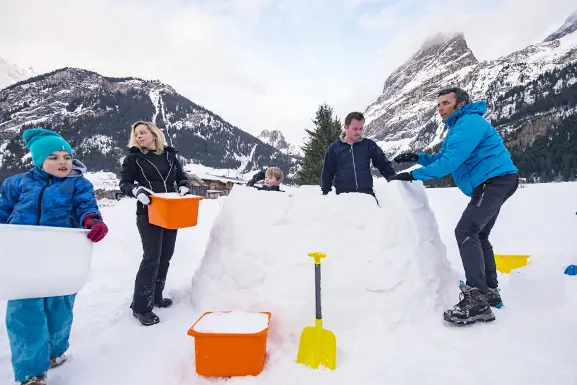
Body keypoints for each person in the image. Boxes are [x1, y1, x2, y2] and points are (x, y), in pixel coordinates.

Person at [390, 87, 519, 325]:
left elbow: (449, 163)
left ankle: (477, 301)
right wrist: (417, 157)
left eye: (445, 103)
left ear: (460, 104)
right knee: (479, 234)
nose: (440, 108)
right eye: (438, 104)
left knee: (466, 231)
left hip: (494, 181)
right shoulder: (458, 128)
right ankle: (489, 290)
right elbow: (442, 157)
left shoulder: (469, 123)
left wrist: (413, 176)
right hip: (495, 181)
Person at [0, 128, 108, 385]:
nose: (62, 162)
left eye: (66, 156)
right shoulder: (16, 183)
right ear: (39, 161)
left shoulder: (78, 184)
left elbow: (86, 206)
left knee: (59, 307)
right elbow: (3, 210)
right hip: (23, 253)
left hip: (61, 253)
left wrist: (92, 221)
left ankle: (55, 351)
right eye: (54, 157)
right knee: (24, 309)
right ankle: (31, 372)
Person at [119, 121, 192, 326]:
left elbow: (181, 177)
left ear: (154, 134)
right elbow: (124, 183)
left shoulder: (170, 155)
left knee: (165, 256)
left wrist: (184, 187)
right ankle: (141, 306)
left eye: (143, 132)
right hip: (148, 211)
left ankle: (156, 296)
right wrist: (137, 191)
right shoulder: (133, 158)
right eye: (136, 134)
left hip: (171, 210)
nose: (139, 136)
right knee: (151, 258)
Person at [321, 111, 396, 198]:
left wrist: (392, 178)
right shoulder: (334, 148)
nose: (358, 132)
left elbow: (383, 163)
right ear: (345, 127)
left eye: (361, 128)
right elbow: (327, 172)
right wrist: (325, 194)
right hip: (343, 197)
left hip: (367, 195)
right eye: (355, 129)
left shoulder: (369, 145)